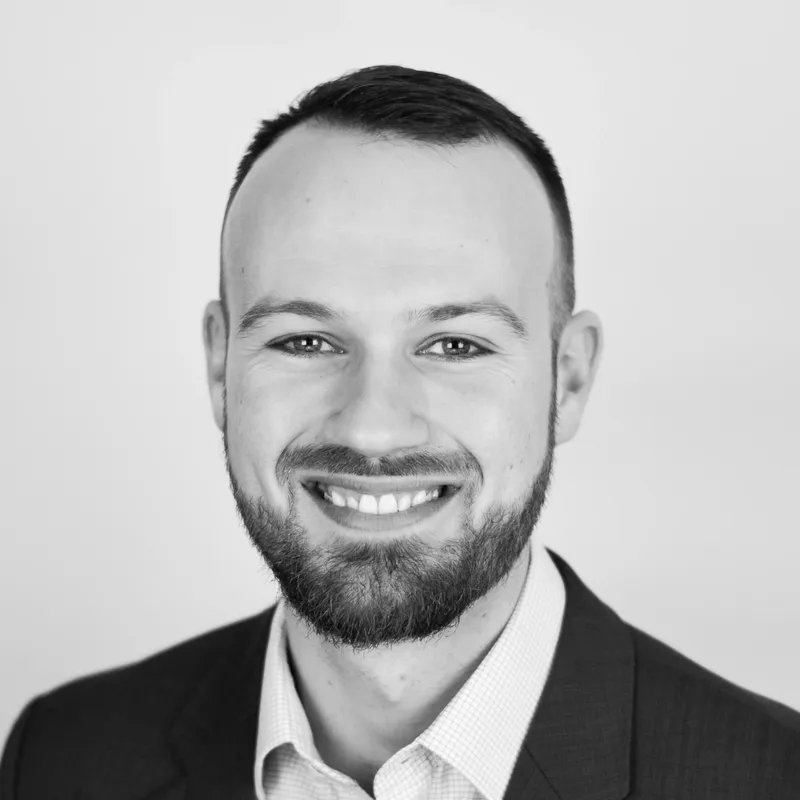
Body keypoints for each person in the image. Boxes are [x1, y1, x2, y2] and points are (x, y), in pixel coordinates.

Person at [2, 63, 798, 800]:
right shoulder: (62, 758)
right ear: (220, 367)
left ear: (570, 377)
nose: (375, 427)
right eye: (305, 342)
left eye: (455, 346)